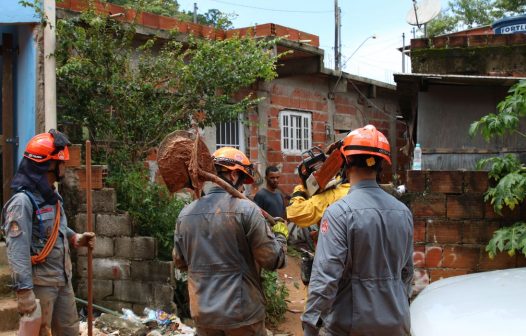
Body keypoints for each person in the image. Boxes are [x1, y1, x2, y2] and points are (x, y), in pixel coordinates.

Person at [302, 125, 414, 336]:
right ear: (381, 165)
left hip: (350, 326)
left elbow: (325, 278)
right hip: (397, 324)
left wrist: (310, 325)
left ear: (345, 162)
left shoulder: (339, 213)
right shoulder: (403, 212)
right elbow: (407, 273)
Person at [172, 147, 288, 336]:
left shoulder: (185, 214)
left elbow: (180, 261)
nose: (243, 189)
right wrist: (281, 235)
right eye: (243, 182)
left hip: (204, 315)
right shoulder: (248, 210)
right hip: (242, 316)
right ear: (234, 175)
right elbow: (272, 260)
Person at [1, 130, 96, 336]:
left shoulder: (51, 195)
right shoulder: (22, 203)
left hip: (62, 279)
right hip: (40, 284)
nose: (65, 166)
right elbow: (17, 251)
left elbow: (56, 226)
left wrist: (75, 237)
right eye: (61, 162)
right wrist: (24, 292)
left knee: (70, 331)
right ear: (48, 165)